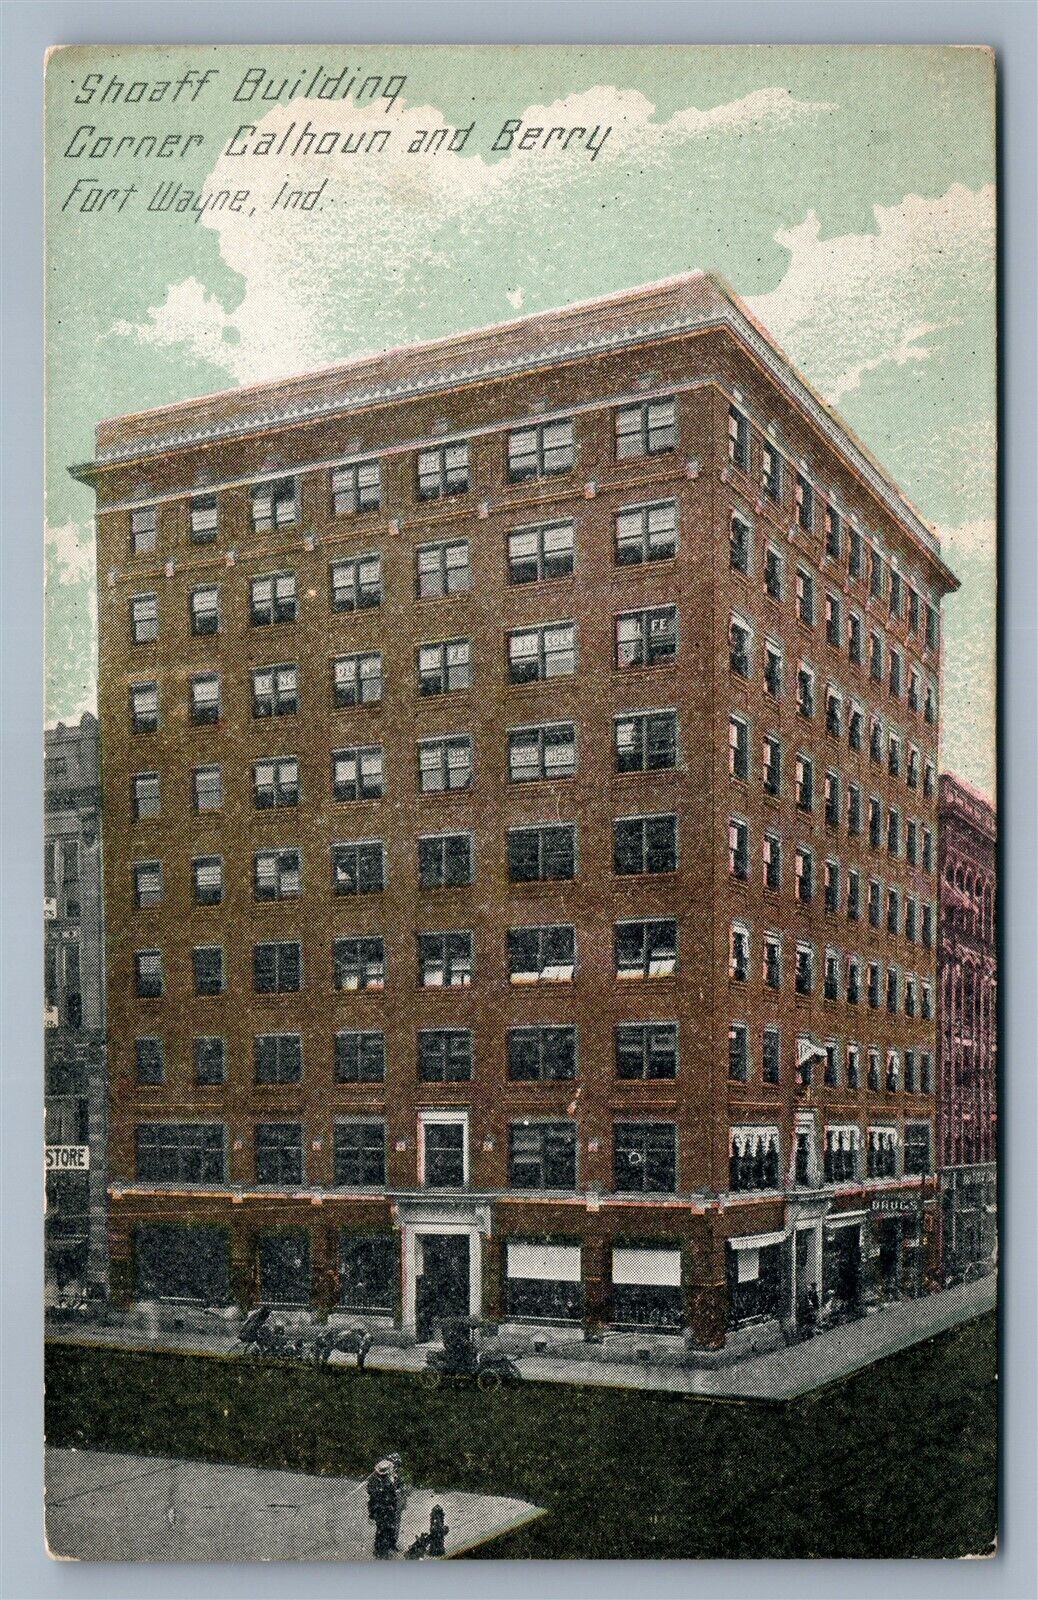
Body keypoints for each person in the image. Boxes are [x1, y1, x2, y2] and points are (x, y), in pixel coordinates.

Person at [366, 1459, 399, 1559]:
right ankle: (380, 1550)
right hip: (381, 1510)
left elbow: (393, 1497)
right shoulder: (375, 1480)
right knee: (382, 1529)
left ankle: (385, 1548)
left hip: (386, 1510)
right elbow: (372, 1496)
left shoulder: (389, 1480)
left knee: (386, 1529)